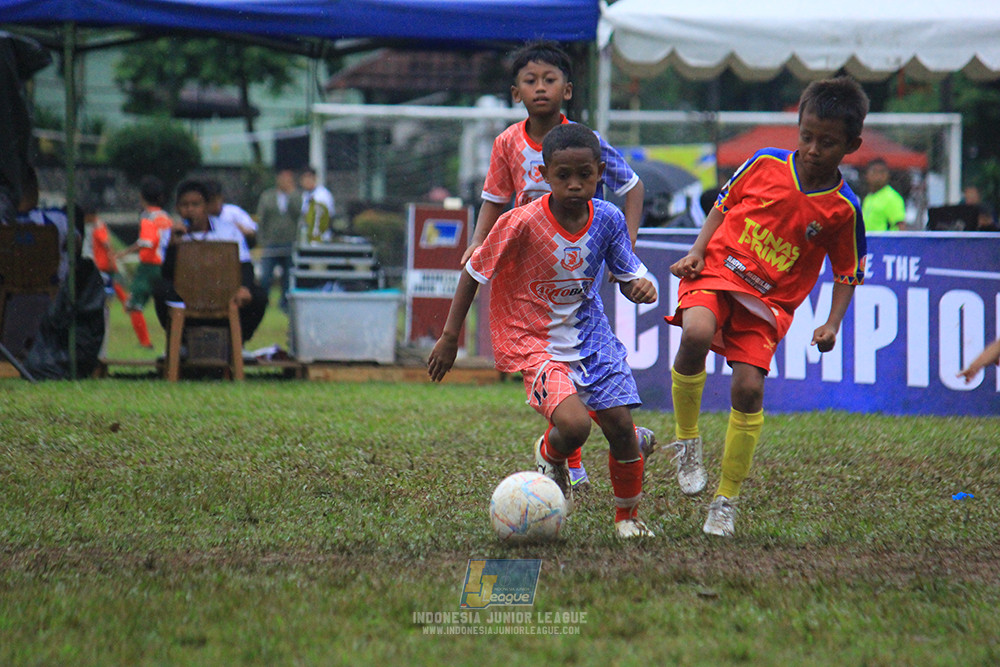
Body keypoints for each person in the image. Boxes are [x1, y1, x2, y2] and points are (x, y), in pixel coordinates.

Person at [428, 123, 659, 539]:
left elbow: (628, 274)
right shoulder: (520, 221)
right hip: (533, 339)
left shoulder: (608, 219)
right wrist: (449, 337)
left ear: (600, 172)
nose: (574, 184)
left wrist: (640, 287)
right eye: (563, 175)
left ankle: (627, 518)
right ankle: (550, 454)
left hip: (591, 336)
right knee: (575, 426)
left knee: (622, 429)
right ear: (544, 175)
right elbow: (474, 272)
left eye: (585, 175)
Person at [665, 76, 869, 537]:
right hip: (719, 270)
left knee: (749, 390)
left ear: (851, 145)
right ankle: (687, 441)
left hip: (768, 303)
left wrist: (832, 323)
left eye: (827, 142)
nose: (813, 149)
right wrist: (697, 251)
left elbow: (848, 272)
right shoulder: (764, 163)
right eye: (806, 136)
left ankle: (726, 499)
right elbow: (722, 205)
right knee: (696, 332)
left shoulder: (844, 209)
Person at [460, 39, 648, 491]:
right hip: (527, 269)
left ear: (567, 89)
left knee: (578, 345)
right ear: (516, 92)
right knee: (553, 358)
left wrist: (626, 249)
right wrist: (478, 241)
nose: (540, 87)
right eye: (531, 80)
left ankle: (594, 440)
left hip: (574, 262)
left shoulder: (584, 142)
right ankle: (572, 457)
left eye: (550, 79)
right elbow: (495, 199)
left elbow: (632, 185)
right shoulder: (507, 142)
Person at [152, 179, 268, 343]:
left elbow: (244, 264)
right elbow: (167, 275)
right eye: (185, 205)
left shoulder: (228, 231)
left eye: (195, 204)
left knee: (259, 296)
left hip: (224, 293)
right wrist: (173, 247)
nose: (190, 209)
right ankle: (183, 342)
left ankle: (237, 343)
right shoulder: (171, 235)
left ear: (206, 206)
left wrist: (245, 287)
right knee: (160, 289)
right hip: (187, 295)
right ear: (177, 208)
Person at [81, 202, 153, 348]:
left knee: (125, 302)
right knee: (121, 297)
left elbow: (106, 244)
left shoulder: (98, 226)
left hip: (105, 270)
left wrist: (112, 260)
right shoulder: (95, 226)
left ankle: (144, 339)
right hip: (104, 269)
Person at [116, 175, 178, 332]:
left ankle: (144, 340)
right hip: (165, 265)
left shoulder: (147, 216)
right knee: (164, 303)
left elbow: (146, 241)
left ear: (141, 196)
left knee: (133, 305)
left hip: (149, 265)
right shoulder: (166, 217)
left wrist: (125, 252)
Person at [255, 168, 302, 312]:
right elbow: (261, 219)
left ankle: (285, 303)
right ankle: (263, 301)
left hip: (290, 242)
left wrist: (291, 194)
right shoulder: (267, 196)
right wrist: (261, 240)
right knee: (266, 275)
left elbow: (299, 213)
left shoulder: (296, 196)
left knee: (288, 276)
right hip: (271, 242)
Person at [205, 178, 257, 247]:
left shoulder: (233, 212)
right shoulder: (203, 218)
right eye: (210, 201)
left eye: (215, 200)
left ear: (221, 198)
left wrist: (237, 228)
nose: (213, 204)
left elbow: (252, 232)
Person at [862, 158, 906, 232]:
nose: (878, 176)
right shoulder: (868, 198)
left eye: (882, 172)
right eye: (874, 172)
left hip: (884, 239)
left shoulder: (892, 197)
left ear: (888, 175)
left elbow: (900, 226)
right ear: (867, 175)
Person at [299, 167, 335, 244]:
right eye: (304, 178)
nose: (307, 181)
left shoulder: (324, 194)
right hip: (308, 238)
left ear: (315, 178)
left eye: (309, 177)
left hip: (323, 238)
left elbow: (329, 216)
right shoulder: (304, 196)